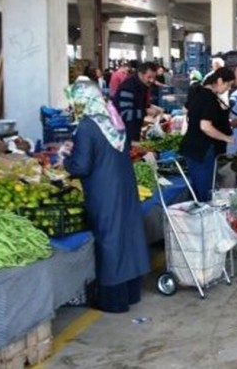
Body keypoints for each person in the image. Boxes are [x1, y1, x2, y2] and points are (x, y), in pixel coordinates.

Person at [61, 81, 149, 313]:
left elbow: (81, 166)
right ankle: (131, 293)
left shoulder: (87, 125)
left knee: (109, 240)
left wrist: (65, 161)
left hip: (104, 191)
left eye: (74, 101)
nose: (72, 106)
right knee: (128, 237)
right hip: (124, 187)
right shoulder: (112, 118)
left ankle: (114, 300)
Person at [179, 68, 236, 202]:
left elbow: (185, 110)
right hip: (203, 150)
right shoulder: (209, 98)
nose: (228, 89)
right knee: (205, 192)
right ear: (220, 81)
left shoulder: (198, 92)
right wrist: (226, 138)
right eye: (228, 85)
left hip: (192, 148)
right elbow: (205, 126)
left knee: (198, 189)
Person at [114, 62, 163, 144]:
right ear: (140, 74)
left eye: (154, 78)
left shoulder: (142, 85)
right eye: (149, 77)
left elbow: (138, 104)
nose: (151, 80)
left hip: (134, 130)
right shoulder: (128, 88)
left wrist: (151, 106)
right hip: (123, 134)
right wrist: (146, 111)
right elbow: (125, 114)